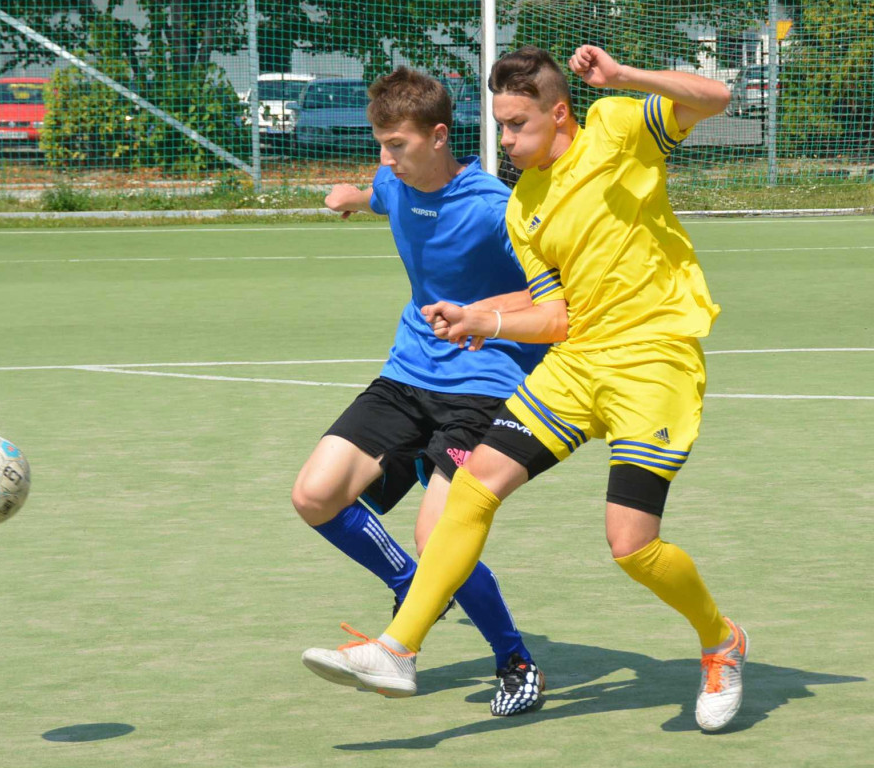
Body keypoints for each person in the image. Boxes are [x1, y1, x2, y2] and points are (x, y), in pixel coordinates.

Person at [301, 45, 749, 733]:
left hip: (653, 363)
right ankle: (398, 650)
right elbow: (559, 313)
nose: (505, 142)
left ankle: (721, 642)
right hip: (577, 363)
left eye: (515, 125)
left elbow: (715, 98)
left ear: (558, 112)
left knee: (632, 546)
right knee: (474, 486)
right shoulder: (528, 205)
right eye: (499, 126)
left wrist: (624, 77)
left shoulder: (620, 130)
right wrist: (488, 319)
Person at [293, 66, 551, 717]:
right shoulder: (395, 181)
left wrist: (481, 315)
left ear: (439, 137)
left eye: (399, 146)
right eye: (380, 146)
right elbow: (384, 195)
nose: (387, 160)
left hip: (483, 388)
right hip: (407, 375)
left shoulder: (497, 210)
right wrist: (354, 195)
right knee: (315, 494)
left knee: (441, 532)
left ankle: (515, 661)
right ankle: (415, 588)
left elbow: (557, 295)